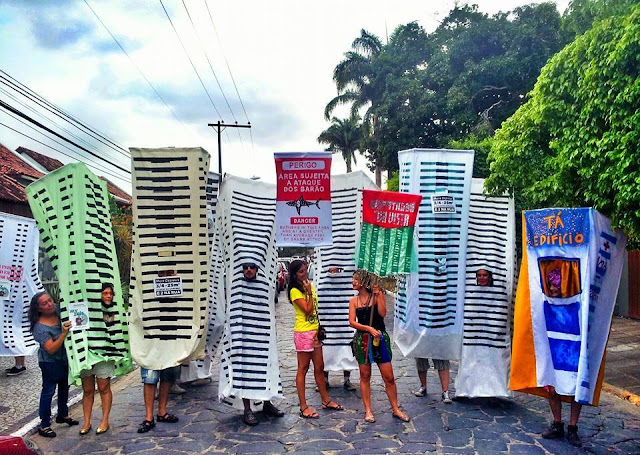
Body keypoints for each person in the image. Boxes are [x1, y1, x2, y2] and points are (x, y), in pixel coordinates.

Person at [349, 272, 409, 423]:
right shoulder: (354, 301)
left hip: (379, 339)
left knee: (389, 377)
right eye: (353, 278)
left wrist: (379, 294)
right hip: (363, 339)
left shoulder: (377, 295)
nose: (353, 281)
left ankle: (395, 408)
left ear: (364, 281)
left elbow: (382, 313)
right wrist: (368, 329)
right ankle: (368, 410)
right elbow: (352, 322)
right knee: (365, 375)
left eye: (356, 279)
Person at [289, 260, 343, 419]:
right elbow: (307, 310)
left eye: (305, 270)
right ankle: (303, 406)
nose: (304, 273)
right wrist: (309, 292)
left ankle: (325, 400)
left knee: (319, 367)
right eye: (300, 271)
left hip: (314, 332)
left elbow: (316, 310)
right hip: (303, 332)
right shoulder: (294, 290)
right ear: (294, 275)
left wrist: (318, 328)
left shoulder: (309, 285)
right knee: (303, 368)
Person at [238, 263, 284, 426]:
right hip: (244, 337)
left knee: (266, 370)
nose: (249, 270)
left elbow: (270, 309)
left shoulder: (266, 285)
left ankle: (267, 404)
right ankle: (247, 409)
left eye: (252, 267)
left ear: (257, 269)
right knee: (246, 372)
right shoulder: (236, 287)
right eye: (245, 267)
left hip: (263, 334)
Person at [541, 268, 582, 447]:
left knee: (574, 390)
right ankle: (557, 423)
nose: (554, 288)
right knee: (552, 388)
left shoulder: (575, 303)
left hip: (571, 351)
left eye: (557, 285)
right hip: (553, 350)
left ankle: (573, 427)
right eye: (551, 285)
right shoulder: (545, 303)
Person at [29, 291, 79, 438]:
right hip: (49, 362)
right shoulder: (39, 328)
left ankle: (62, 414)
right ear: (38, 308)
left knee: (65, 387)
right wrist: (63, 333)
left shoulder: (59, 311)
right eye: (44, 303)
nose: (50, 304)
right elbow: (50, 349)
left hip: (64, 358)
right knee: (48, 392)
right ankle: (44, 424)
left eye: (50, 300)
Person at [79, 283, 116, 435]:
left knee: (104, 388)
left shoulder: (112, 311)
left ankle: (104, 419)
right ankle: (86, 421)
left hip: (104, 354)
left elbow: (112, 328)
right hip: (87, 354)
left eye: (110, 293)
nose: (108, 296)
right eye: (104, 293)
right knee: (87, 390)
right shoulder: (86, 309)